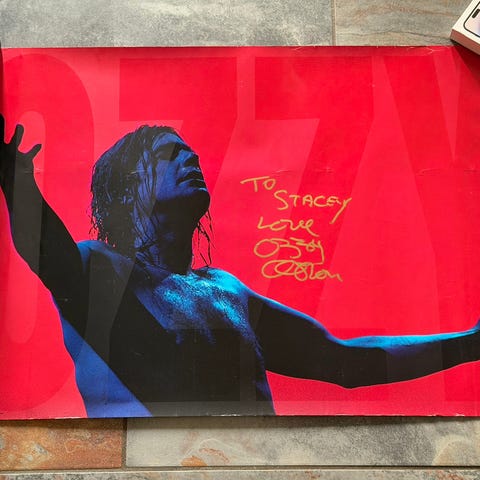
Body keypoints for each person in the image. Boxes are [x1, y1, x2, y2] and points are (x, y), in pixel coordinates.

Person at [1, 116, 480, 417]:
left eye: (190, 151)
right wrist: (16, 179)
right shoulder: (99, 269)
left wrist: (469, 343)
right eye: (168, 154)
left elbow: (345, 361)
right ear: (128, 190)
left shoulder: (224, 290)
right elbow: (46, 250)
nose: (190, 157)